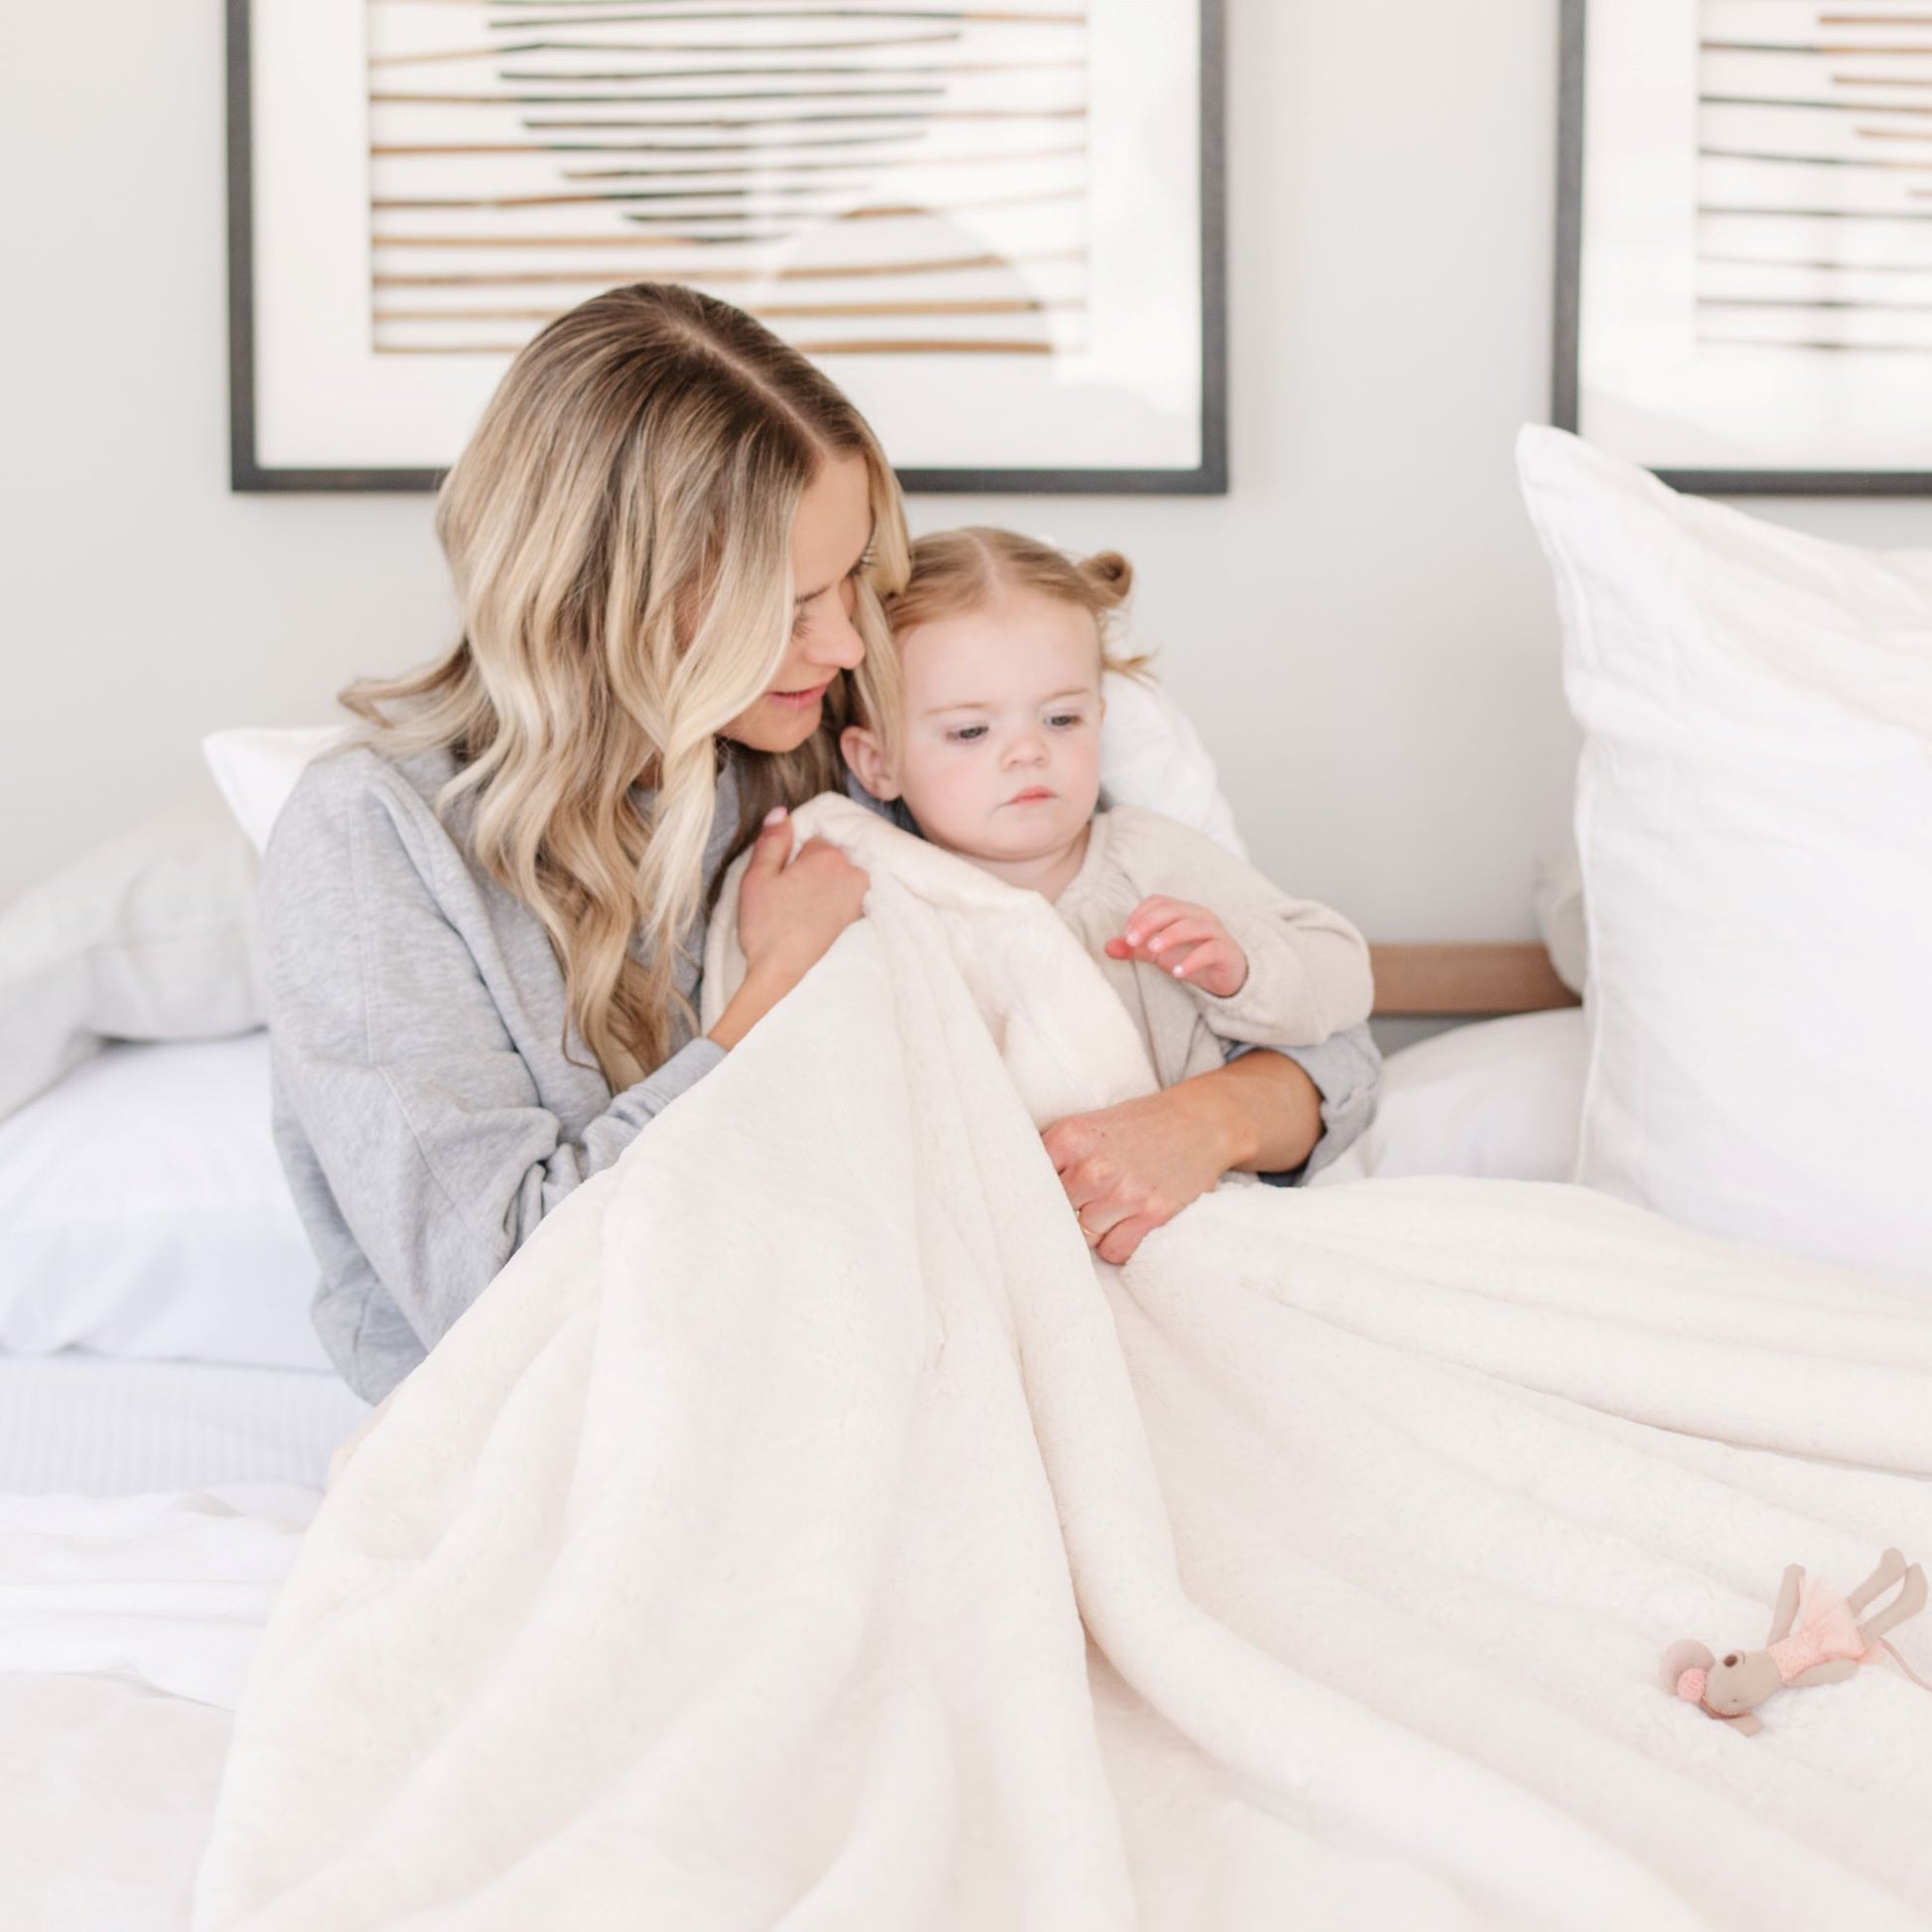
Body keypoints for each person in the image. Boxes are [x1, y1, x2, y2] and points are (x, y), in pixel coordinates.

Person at [258, 284, 1379, 1405]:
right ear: (616, 601)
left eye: (851, 579)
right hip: (576, 1423)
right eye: (790, 604)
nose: (847, 639)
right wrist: (768, 993)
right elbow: (489, 1290)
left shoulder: (839, 757)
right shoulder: (375, 843)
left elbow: (1329, 1050)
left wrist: (1204, 1122)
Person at [839, 528, 1374, 1250]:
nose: (1028, 750)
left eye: (1062, 718)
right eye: (970, 731)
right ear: (877, 764)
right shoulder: (874, 896)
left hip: (1187, 1227)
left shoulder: (1146, 856)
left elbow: (1339, 969)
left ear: (1101, 715)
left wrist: (1241, 966)